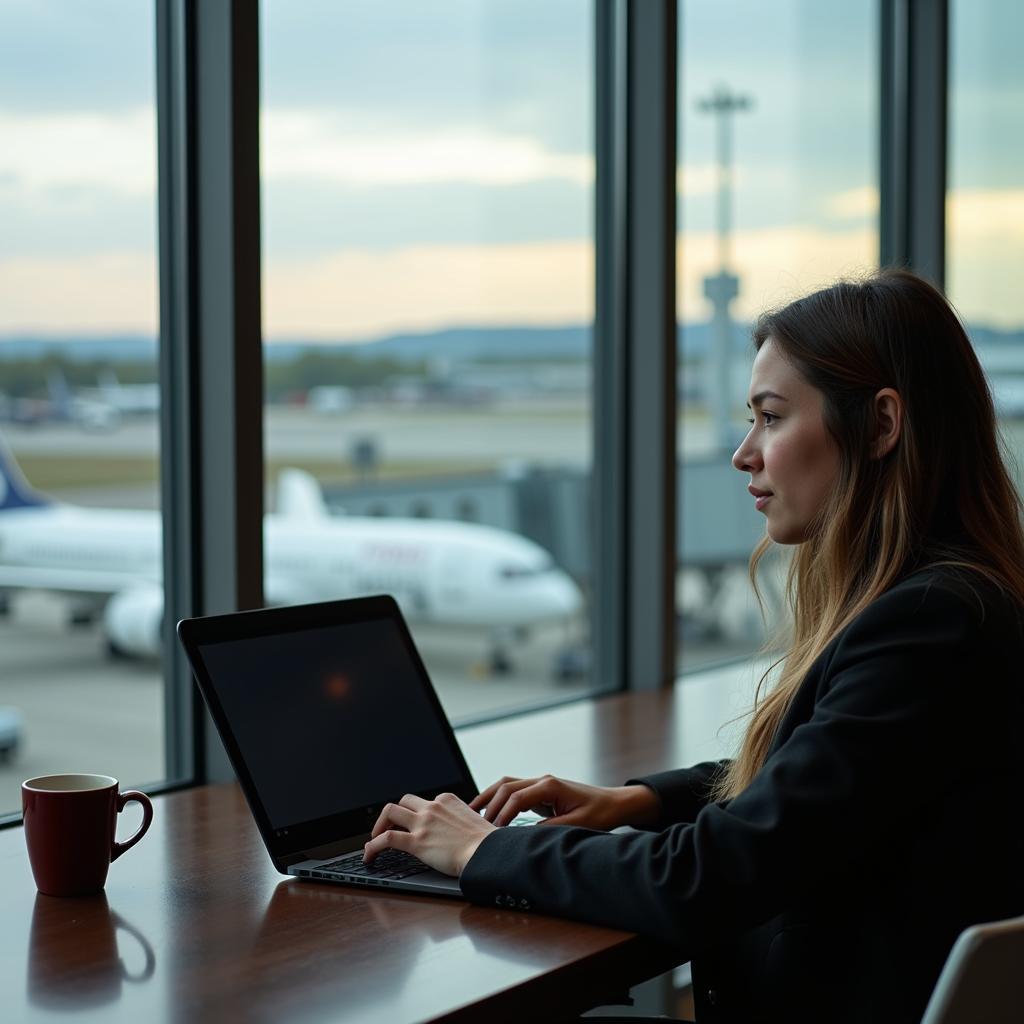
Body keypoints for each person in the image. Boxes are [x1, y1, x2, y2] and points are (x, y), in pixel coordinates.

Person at [362, 269, 1024, 1023]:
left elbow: (714, 876)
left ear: (880, 426)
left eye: (772, 419)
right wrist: (638, 800)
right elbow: (820, 782)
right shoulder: (954, 603)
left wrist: (484, 851)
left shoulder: (932, 624)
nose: (745, 454)